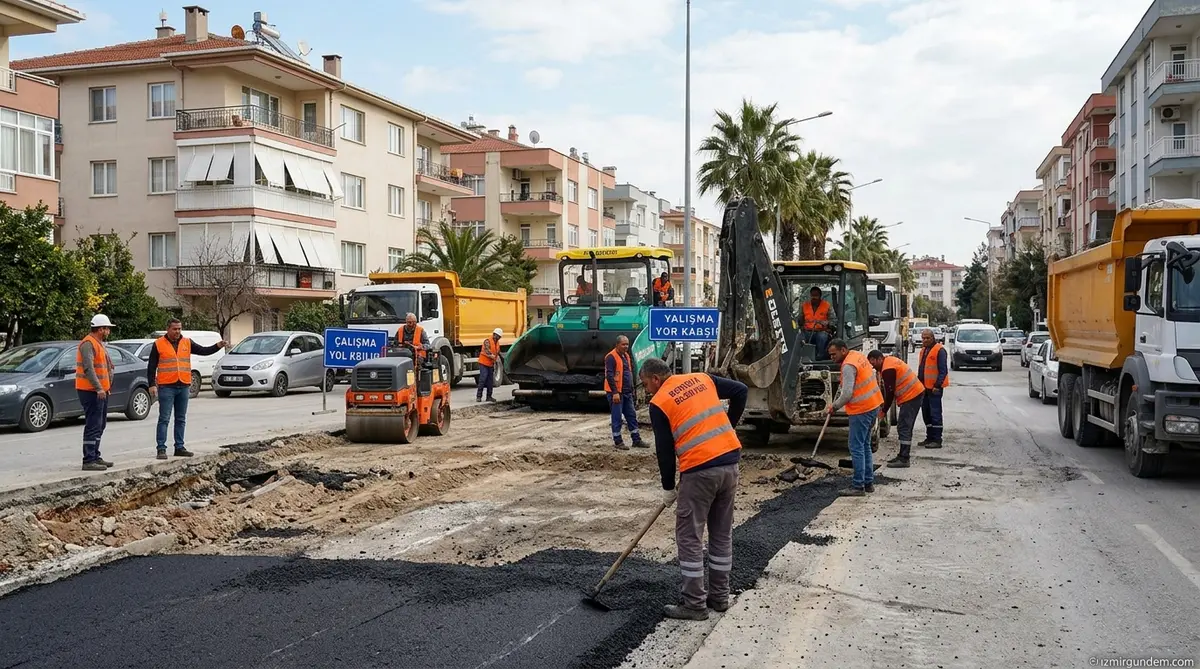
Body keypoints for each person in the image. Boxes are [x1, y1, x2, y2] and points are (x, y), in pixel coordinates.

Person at [641, 357, 747, 620]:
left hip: (699, 470)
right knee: (721, 534)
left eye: (646, 384)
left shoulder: (660, 402)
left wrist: (667, 487)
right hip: (730, 462)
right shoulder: (702, 379)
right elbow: (740, 391)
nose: (646, 390)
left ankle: (694, 604)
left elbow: (664, 449)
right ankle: (720, 597)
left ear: (656, 378)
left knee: (689, 537)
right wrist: (727, 428)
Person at [147, 319, 227, 460]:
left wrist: (218, 346)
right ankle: (161, 448)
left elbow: (204, 351)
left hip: (183, 385)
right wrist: (152, 384)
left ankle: (179, 447)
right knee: (164, 418)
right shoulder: (158, 344)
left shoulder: (187, 342)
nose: (177, 331)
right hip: (166, 386)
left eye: (179, 329)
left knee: (181, 418)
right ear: (168, 329)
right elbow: (151, 366)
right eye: (174, 329)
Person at [827, 339, 883, 496]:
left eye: (834, 354)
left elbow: (847, 394)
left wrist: (834, 406)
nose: (832, 357)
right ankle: (868, 482)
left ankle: (858, 486)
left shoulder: (848, 366)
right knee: (865, 445)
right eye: (830, 355)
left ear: (843, 350)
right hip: (873, 405)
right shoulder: (857, 356)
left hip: (862, 410)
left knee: (856, 447)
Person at [867, 350, 925, 468]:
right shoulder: (889, 362)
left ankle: (904, 458)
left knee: (904, 426)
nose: (872, 366)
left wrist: (884, 410)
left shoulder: (887, 369)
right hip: (914, 393)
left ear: (879, 359)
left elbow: (890, 392)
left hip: (912, 395)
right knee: (904, 426)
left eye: (873, 362)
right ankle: (902, 455)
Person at [77, 314, 116, 471]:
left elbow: (105, 368)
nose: (108, 331)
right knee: (93, 424)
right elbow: (88, 368)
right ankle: (88, 459)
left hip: (101, 391)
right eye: (107, 328)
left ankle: (95, 455)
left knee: (100, 424)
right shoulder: (88, 343)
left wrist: (106, 387)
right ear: (101, 329)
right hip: (90, 391)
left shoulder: (98, 343)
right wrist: (99, 388)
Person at [605, 335, 644, 450]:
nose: (626, 346)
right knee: (617, 418)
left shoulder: (626, 356)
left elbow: (627, 373)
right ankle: (618, 441)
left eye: (627, 344)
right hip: (617, 393)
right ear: (617, 345)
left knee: (631, 416)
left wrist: (632, 390)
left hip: (627, 392)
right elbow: (609, 376)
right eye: (623, 344)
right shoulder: (611, 357)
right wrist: (615, 392)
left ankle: (636, 439)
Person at [916, 328, 949, 448]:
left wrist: (937, 385)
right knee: (926, 413)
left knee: (935, 413)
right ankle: (929, 437)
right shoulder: (923, 350)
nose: (925, 340)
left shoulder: (939, 350)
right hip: (924, 388)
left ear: (932, 338)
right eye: (923, 338)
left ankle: (937, 439)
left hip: (934, 388)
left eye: (927, 338)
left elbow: (943, 370)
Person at [801, 286, 835, 360]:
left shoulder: (827, 306)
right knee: (801, 338)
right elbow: (799, 320)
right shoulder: (804, 306)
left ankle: (820, 357)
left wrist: (828, 323)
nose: (814, 298)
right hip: (808, 331)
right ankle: (804, 357)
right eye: (812, 296)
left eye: (816, 296)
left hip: (822, 331)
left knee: (822, 337)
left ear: (820, 296)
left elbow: (833, 320)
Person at [477, 327, 503, 403]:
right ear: (494, 334)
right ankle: (479, 396)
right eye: (498, 336)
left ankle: (489, 396)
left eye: (499, 337)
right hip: (484, 363)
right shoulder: (487, 341)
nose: (498, 338)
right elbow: (487, 351)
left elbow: (498, 352)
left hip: (490, 364)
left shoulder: (497, 343)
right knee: (483, 379)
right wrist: (493, 356)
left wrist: (501, 358)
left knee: (490, 381)